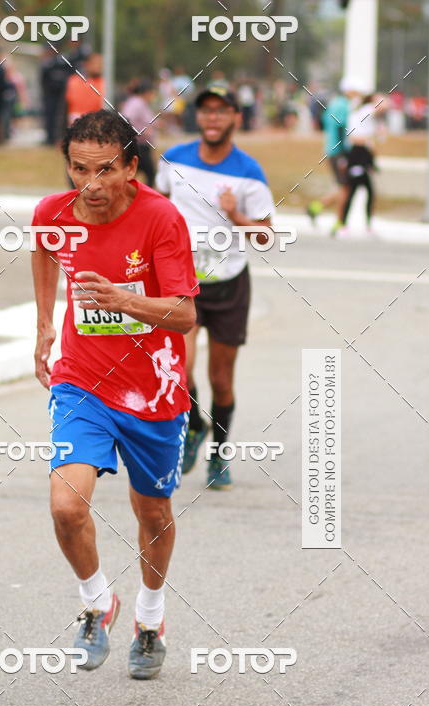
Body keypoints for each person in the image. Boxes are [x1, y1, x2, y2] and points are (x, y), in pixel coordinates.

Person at [31, 110, 198, 678]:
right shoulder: (53, 212)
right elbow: (43, 249)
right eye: (80, 170)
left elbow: (185, 315)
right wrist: (44, 325)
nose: (92, 185)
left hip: (154, 391)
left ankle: (150, 619)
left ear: (131, 166)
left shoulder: (161, 219)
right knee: (64, 505)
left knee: (152, 510)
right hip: (82, 381)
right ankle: (98, 603)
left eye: (105, 170)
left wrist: (123, 301)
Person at [156, 82, 273, 490]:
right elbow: (157, 208)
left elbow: (265, 236)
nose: (213, 118)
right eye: (206, 110)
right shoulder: (174, 160)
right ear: (198, 117)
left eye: (222, 111)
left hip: (228, 284)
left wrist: (236, 215)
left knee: (221, 379)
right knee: (178, 370)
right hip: (181, 282)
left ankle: (219, 454)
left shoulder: (249, 173)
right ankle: (193, 425)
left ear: (235, 119)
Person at [306, 79, 360, 228]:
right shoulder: (343, 105)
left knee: (343, 186)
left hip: (331, 149)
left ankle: (315, 208)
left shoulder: (334, 103)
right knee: (345, 188)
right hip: (338, 152)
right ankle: (339, 222)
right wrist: (344, 153)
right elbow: (340, 127)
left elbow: (324, 123)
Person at [333, 94, 380, 235]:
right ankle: (343, 224)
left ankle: (365, 224)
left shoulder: (362, 118)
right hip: (355, 160)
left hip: (362, 160)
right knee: (352, 192)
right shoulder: (363, 113)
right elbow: (355, 139)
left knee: (368, 193)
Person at [120, 80, 157, 187]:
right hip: (137, 145)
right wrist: (141, 132)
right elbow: (127, 120)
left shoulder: (140, 103)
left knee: (140, 172)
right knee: (149, 173)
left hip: (142, 145)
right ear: (146, 92)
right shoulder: (137, 103)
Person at [40, 46, 71, 145]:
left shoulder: (63, 62)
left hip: (61, 95)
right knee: (50, 116)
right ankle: (50, 138)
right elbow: (43, 80)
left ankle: (60, 137)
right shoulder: (47, 64)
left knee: (61, 117)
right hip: (50, 95)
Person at [64, 53, 104, 125]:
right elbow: (65, 107)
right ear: (86, 64)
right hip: (76, 124)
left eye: (100, 64)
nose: (98, 66)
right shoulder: (73, 81)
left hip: (96, 124)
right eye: (95, 63)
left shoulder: (104, 83)